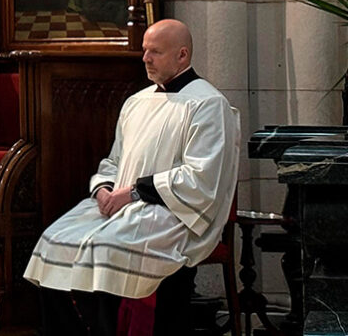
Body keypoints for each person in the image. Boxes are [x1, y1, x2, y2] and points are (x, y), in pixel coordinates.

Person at [23, 19, 240, 336]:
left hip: (173, 213)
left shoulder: (207, 104)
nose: (145, 59)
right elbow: (114, 160)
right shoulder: (136, 102)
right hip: (122, 205)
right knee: (55, 240)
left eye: (155, 52)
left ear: (182, 56)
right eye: (145, 51)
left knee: (106, 248)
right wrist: (103, 189)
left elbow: (201, 178)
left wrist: (135, 192)